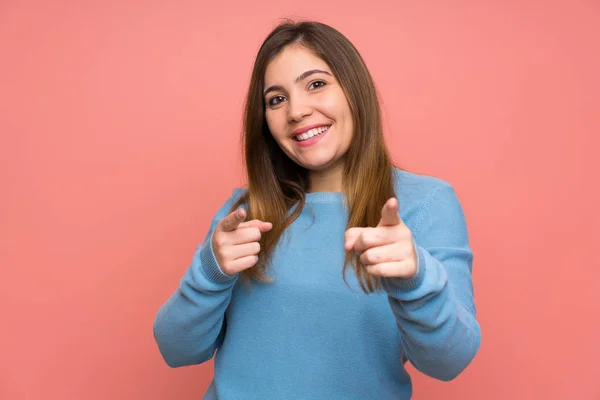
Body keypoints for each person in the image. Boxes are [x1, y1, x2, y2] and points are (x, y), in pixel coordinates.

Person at [153, 20, 481, 400]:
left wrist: (417, 278)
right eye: (276, 99)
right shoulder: (245, 211)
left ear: (353, 90)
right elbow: (176, 350)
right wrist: (210, 272)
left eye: (316, 84)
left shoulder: (425, 205)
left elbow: (449, 361)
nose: (296, 111)